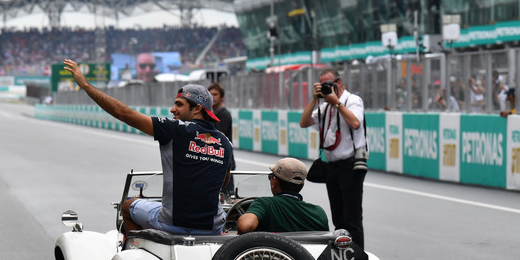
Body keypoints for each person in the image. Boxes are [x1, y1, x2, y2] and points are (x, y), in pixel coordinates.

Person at [63, 59, 232, 235]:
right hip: (212, 228)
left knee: (128, 206)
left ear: (197, 109)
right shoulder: (225, 142)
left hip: (172, 224)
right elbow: (223, 182)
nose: (172, 109)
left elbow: (124, 113)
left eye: (179, 104)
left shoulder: (175, 130)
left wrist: (84, 85)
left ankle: (136, 252)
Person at [299, 68, 368, 248]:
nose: (326, 87)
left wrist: (337, 103)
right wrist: (315, 99)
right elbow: (304, 122)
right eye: (322, 85)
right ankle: (343, 256)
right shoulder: (324, 107)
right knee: (338, 219)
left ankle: (358, 258)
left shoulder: (352, 100)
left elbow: (355, 123)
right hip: (331, 167)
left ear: (339, 82)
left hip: (350, 166)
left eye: (328, 84)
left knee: (351, 219)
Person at [237, 158, 329, 234]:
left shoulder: (264, 204)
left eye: (271, 177)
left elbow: (244, 226)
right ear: (302, 185)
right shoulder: (319, 213)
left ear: (274, 182)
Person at [209, 82, 235, 197]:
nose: (213, 97)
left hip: (224, 163)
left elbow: (219, 140)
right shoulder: (214, 113)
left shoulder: (223, 114)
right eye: (210, 95)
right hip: (218, 161)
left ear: (222, 97)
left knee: (226, 199)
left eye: (215, 94)